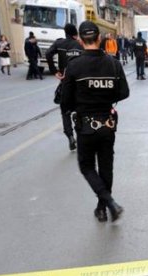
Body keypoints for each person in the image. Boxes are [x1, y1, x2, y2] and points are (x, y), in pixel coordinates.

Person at [61, 21, 129, 223]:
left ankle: (108, 203)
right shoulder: (113, 63)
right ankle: (104, 207)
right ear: (99, 39)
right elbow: (124, 92)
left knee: (86, 166)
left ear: (81, 40)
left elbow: (65, 102)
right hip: (107, 124)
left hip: (86, 127)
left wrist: (80, 103)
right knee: (106, 167)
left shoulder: (74, 66)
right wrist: (107, 98)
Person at [46, 23, 83, 151]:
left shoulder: (59, 44)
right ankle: (79, 131)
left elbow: (48, 54)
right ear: (75, 34)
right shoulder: (80, 45)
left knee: (65, 111)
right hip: (79, 84)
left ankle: (70, 136)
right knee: (80, 109)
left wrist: (54, 71)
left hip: (65, 82)